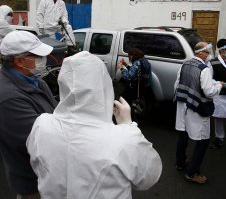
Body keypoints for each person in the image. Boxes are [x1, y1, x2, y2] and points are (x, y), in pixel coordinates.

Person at [26, 51, 162, 199]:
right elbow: (148, 177)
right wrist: (128, 126)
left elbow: (37, 164)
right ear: (103, 84)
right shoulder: (124, 139)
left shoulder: (42, 124)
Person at [0, 30, 58, 199]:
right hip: (35, 185)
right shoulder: (7, 98)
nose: (43, 60)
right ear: (19, 61)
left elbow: (56, 114)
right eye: (37, 56)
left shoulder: (35, 81)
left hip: (50, 178)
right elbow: (43, 143)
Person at [174, 42, 223, 184]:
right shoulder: (204, 69)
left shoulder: (185, 64)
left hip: (183, 106)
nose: (209, 54)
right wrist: (219, 85)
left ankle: (180, 163)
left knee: (183, 134)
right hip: (197, 108)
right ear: (201, 53)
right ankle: (192, 173)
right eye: (207, 52)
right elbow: (209, 92)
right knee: (202, 141)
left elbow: (176, 85)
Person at [117, 48, 153, 114]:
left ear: (132, 55)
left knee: (126, 101)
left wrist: (121, 68)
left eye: (129, 56)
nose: (129, 58)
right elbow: (136, 71)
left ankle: (127, 115)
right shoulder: (144, 61)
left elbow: (129, 76)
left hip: (136, 87)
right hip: (145, 86)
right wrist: (125, 65)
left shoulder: (137, 62)